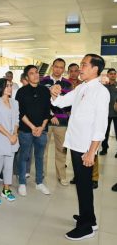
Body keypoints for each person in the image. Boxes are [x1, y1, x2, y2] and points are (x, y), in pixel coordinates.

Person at [50, 54, 109, 241]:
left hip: (85, 147)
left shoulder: (100, 92)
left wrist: (92, 151)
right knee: (82, 186)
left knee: (84, 187)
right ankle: (89, 219)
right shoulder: (82, 87)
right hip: (75, 143)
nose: (80, 68)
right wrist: (55, 92)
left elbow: (100, 126)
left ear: (95, 69)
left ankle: (86, 227)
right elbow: (60, 103)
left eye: (84, 65)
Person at [16, 65, 51, 196]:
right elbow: (21, 113)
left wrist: (41, 127)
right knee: (24, 156)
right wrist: (32, 127)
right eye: (32, 73)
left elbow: (47, 112)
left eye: (37, 72)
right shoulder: (22, 92)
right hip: (26, 130)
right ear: (26, 77)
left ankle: (39, 183)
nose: (36, 75)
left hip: (42, 130)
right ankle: (22, 183)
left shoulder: (45, 91)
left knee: (39, 156)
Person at [40, 58, 72, 185]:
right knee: (43, 150)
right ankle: (41, 175)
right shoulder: (43, 81)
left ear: (63, 69)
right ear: (52, 66)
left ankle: (62, 176)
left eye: (61, 67)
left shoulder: (67, 84)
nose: (58, 69)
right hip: (45, 121)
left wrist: (58, 115)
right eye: (56, 66)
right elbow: (40, 101)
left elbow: (68, 104)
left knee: (61, 150)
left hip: (62, 122)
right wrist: (49, 115)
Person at [0, 78, 19, 205]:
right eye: (7, 86)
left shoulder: (15, 102)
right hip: (0, 140)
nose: (10, 88)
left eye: (11, 85)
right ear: (1, 87)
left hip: (12, 140)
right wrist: (9, 135)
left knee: (9, 167)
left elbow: (17, 119)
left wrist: (15, 134)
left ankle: (6, 189)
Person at [99, 68, 117, 157]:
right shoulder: (104, 87)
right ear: (108, 75)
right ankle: (104, 148)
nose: (113, 75)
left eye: (114, 74)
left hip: (116, 113)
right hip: (106, 113)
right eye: (111, 74)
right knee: (105, 132)